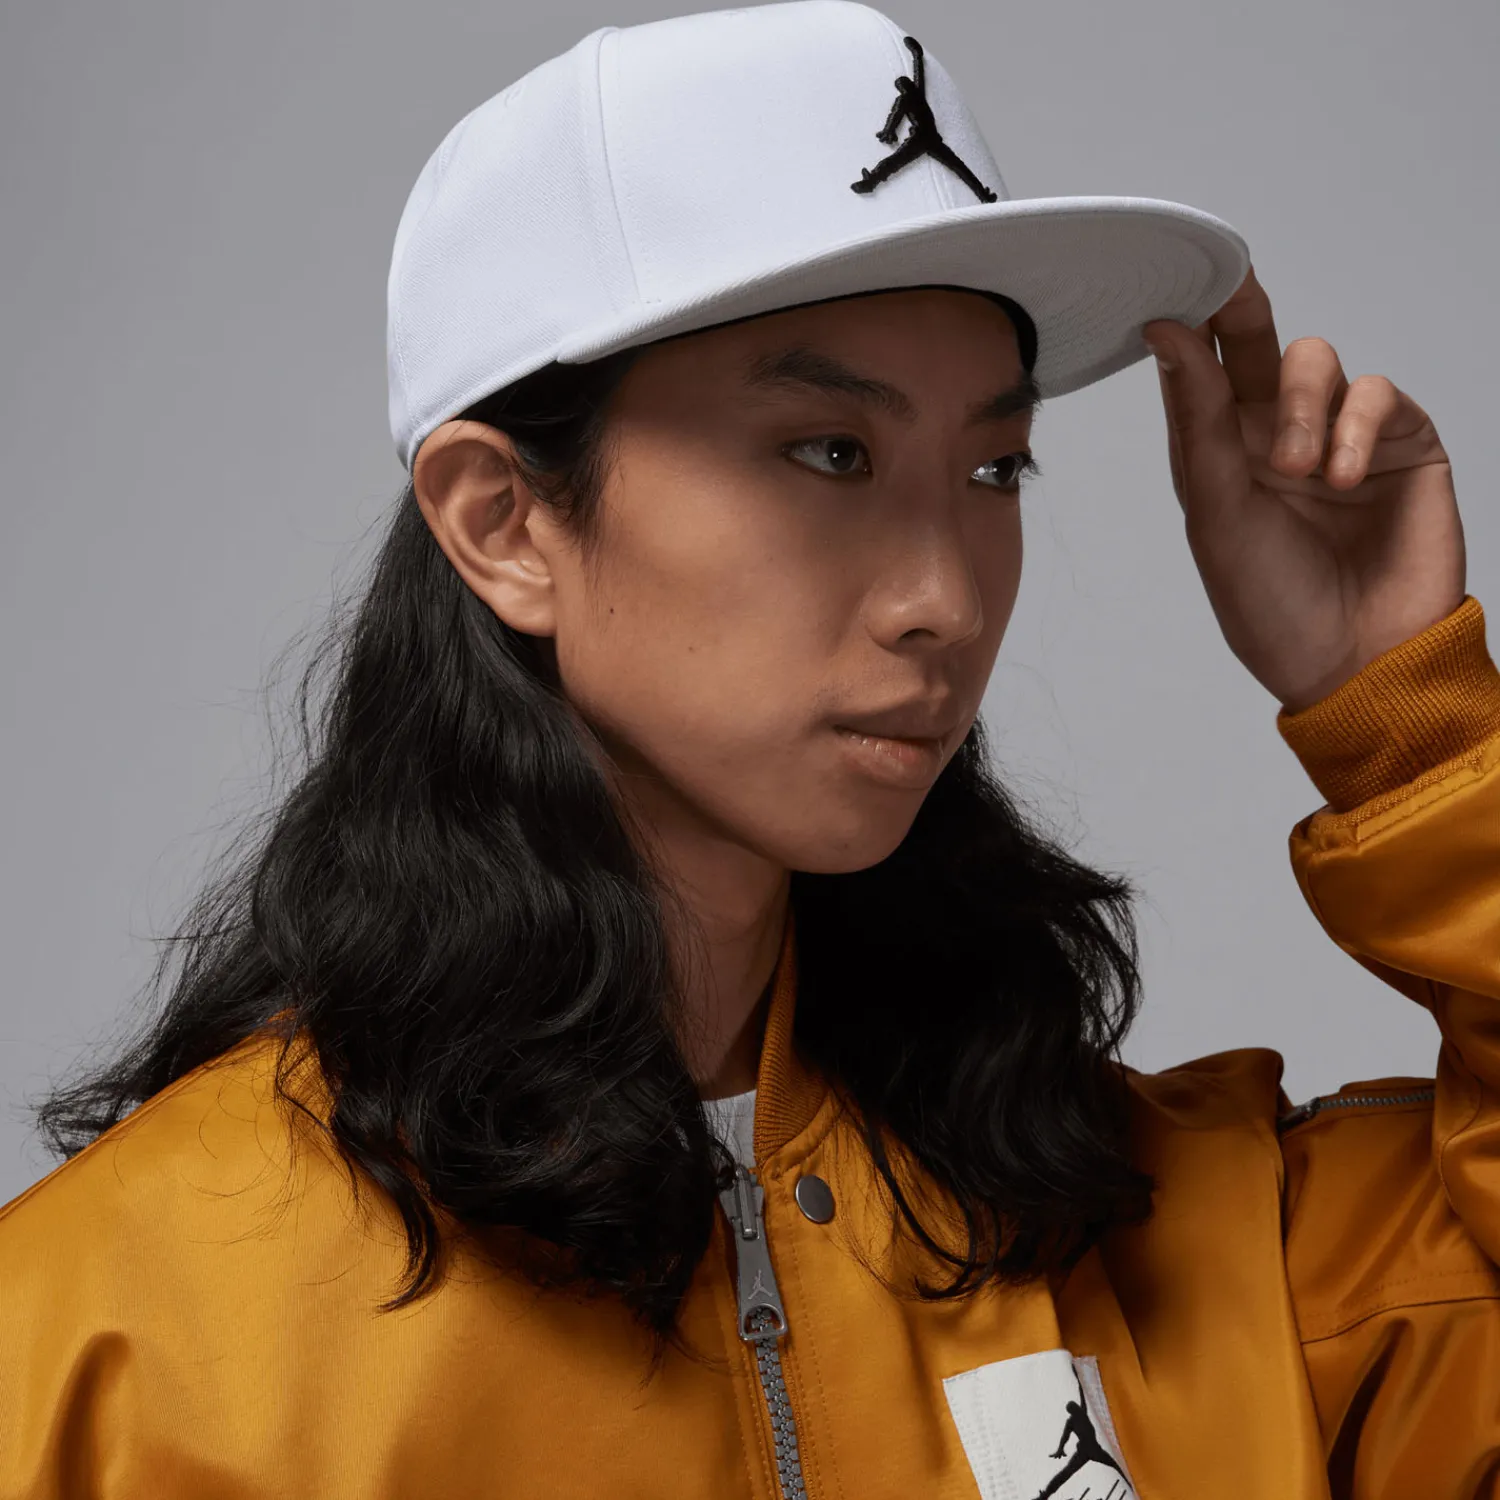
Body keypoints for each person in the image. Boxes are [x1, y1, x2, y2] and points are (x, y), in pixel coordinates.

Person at [3, 3, 1497, 1497]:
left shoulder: (1206, 1253)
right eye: (831, 452)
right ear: (502, 523)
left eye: (995, 467)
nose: (946, 596)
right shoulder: (109, 1352)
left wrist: (1407, 718)